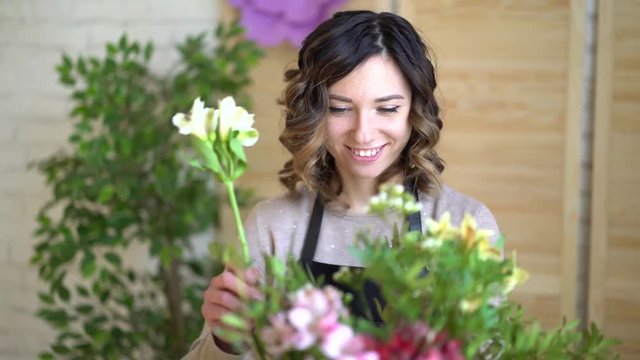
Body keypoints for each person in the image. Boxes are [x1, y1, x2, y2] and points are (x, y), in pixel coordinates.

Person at [183, 10, 500, 359]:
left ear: (415, 110)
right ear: (315, 111)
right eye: (339, 108)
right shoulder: (273, 226)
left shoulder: (464, 227)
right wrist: (227, 340)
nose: (363, 133)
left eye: (387, 108)